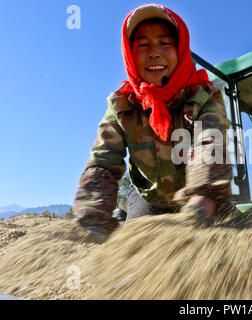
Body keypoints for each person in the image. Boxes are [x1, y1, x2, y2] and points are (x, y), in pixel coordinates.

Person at [73, 4, 232, 235]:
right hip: (149, 200)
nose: (154, 52)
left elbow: (210, 143)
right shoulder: (121, 106)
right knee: (134, 254)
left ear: (181, 50)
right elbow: (103, 163)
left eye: (165, 43)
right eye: (143, 45)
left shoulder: (205, 97)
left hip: (203, 198)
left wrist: (203, 199)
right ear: (129, 54)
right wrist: (91, 216)